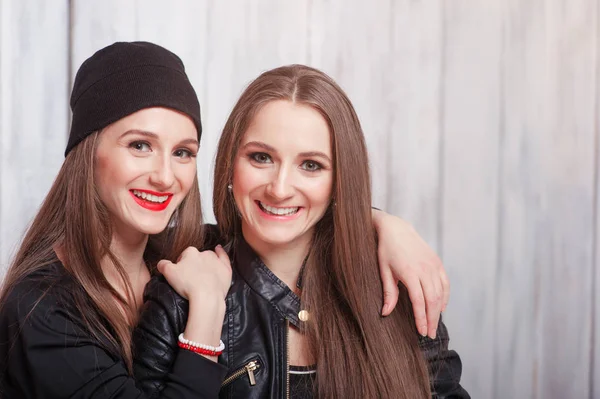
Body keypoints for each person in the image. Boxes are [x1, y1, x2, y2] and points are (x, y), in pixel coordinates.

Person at [0, 42, 450, 398]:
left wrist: (382, 224)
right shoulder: (40, 309)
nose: (163, 174)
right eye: (139, 145)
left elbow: (291, 217)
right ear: (87, 152)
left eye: (182, 152)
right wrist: (208, 311)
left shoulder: (188, 250)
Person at [134, 65, 469, 398]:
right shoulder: (178, 300)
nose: (280, 189)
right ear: (230, 164)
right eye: (261, 157)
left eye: (311, 166)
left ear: (339, 180)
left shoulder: (396, 283)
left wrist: (380, 221)